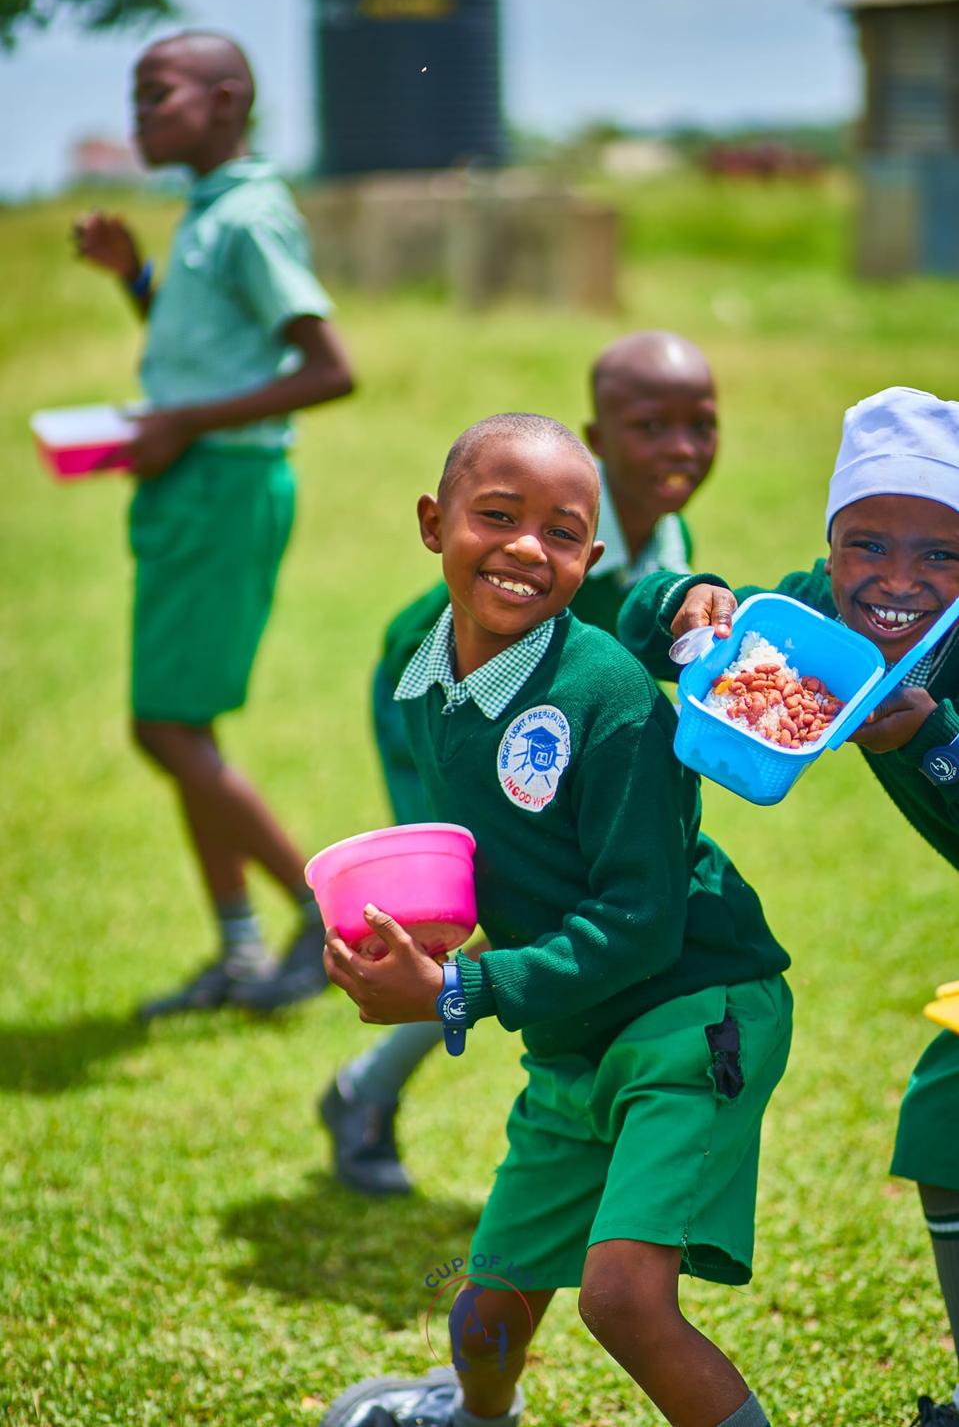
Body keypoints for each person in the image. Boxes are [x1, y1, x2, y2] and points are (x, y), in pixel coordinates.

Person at [319, 411, 792, 1427]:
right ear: (432, 523)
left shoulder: (609, 697)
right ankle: (474, 1415)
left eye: (564, 532)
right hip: (575, 1039)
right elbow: (503, 859)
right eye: (497, 515)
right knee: (486, 1311)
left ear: (590, 557)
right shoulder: (424, 681)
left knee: (622, 1300)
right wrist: (419, 937)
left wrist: (459, 987)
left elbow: (640, 919)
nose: (528, 548)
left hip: (690, 1007)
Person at [617, 385, 959, 1427]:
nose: (895, 580)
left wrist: (933, 743)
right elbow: (646, 623)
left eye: (939, 554)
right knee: (945, 1120)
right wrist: (689, 597)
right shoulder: (814, 618)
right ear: (830, 542)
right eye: (867, 544)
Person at [313, 331, 718, 1192]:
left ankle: (366, 1085)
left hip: (547, 743)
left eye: (700, 425)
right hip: (440, 711)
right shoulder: (546, 517)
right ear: (600, 438)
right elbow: (428, 642)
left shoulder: (661, 540)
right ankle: (367, 1090)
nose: (679, 448)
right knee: (474, 907)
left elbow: (626, 660)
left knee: (528, 901)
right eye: (651, 426)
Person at [73, 32, 354, 1019]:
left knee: (165, 726)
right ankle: (239, 953)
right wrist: (134, 279)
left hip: (224, 485)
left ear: (227, 99)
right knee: (177, 724)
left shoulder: (250, 218)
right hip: (190, 483)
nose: (140, 114)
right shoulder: (206, 211)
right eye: (136, 98)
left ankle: (317, 910)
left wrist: (183, 424)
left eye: (159, 94)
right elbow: (212, 351)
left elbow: (329, 368)